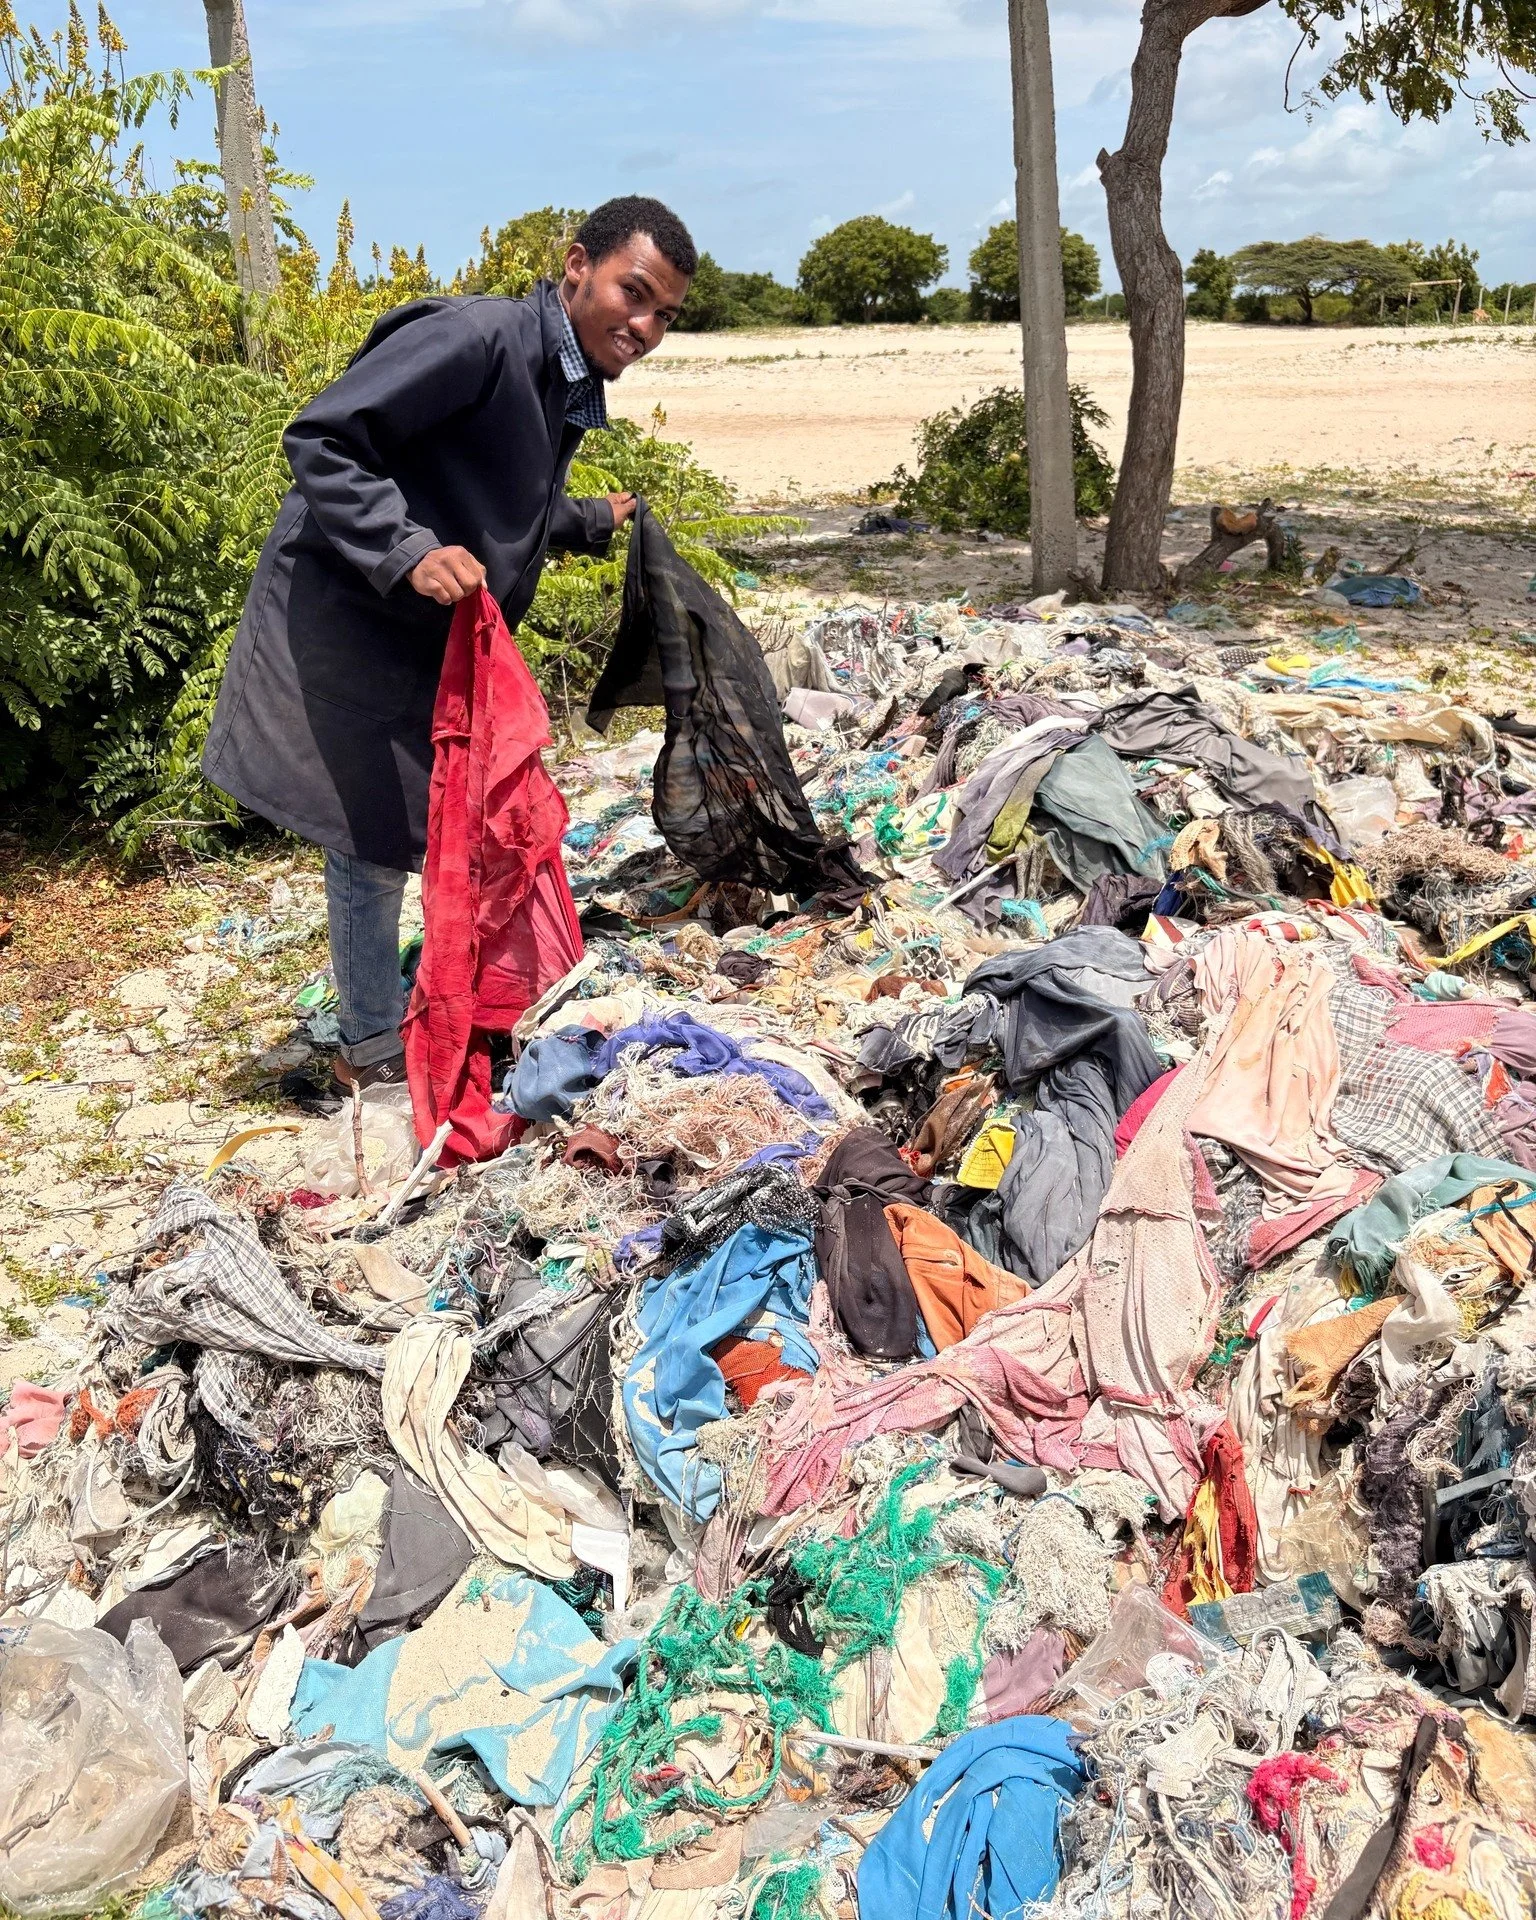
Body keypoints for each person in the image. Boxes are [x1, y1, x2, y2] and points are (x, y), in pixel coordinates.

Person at [202, 196, 696, 1091]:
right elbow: (323, 437)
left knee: (426, 824)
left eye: (665, 314)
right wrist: (407, 550)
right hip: (355, 612)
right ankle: (369, 1049)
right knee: (371, 833)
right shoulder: (480, 339)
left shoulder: (563, 377)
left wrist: (590, 519)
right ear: (577, 265)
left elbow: (496, 494)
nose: (646, 325)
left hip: (424, 633)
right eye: (635, 293)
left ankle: (409, 1012)